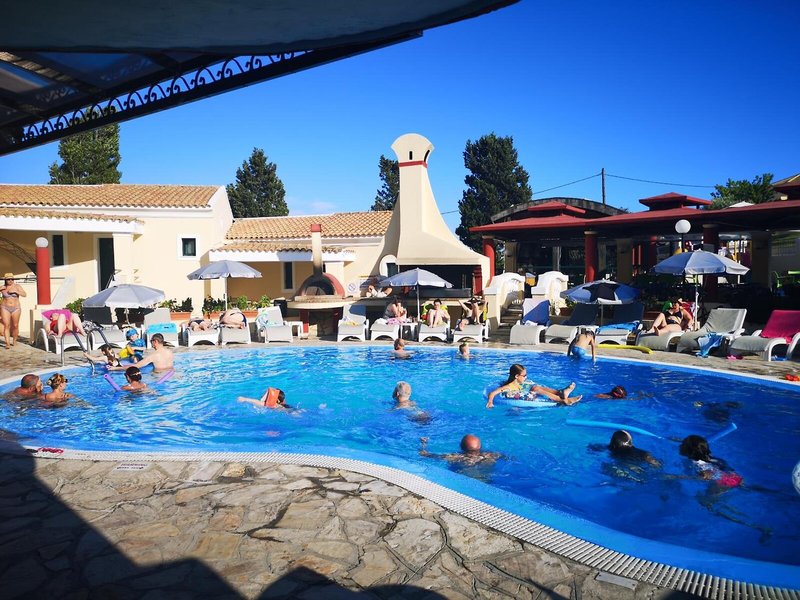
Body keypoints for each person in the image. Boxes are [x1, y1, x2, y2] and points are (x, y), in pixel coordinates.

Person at [486, 363, 581, 408]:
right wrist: (490, 402)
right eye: (524, 376)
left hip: (523, 390)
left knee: (536, 387)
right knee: (536, 390)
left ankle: (560, 392)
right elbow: (492, 393)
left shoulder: (521, 383)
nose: (526, 377)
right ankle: (563, 400)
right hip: (517, 395)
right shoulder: (508, 387)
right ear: (517, 376)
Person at [419, 434, 502, 466]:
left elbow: (424, 454)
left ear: (461, 447)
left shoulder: (456, 457)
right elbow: (507, 458)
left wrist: (423, 444)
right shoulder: (492, 455)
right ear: (480, 447)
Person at [1, 273, 26, 349]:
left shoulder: (17, 286)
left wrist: (16, 291)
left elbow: (24, 294)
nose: (10, 281)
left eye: (12, 279)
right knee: (6, 325)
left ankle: (14, 341)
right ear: (5, 280)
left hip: (16, 308)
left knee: (15, 325)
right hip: (5, 307)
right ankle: (7, 343)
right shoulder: (3, 287)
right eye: (8, 279)